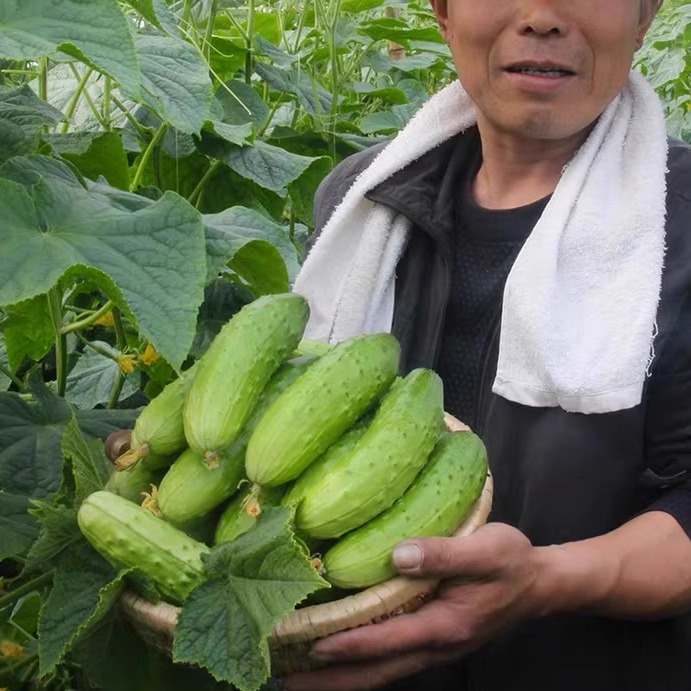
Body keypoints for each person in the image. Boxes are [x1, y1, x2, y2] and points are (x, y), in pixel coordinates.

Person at [280, 1, 691, 690]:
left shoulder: (677, 226)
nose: (540, 16)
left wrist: (541, 579)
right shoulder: (358, 199)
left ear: (643, 14)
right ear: (442, 11)